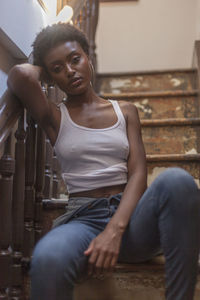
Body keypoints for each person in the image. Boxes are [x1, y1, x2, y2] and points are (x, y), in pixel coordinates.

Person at [7, 23, 200, 300]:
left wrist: (114, 230)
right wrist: (44, 70)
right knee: (48, 257)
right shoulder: (55, 117)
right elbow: (20, 74)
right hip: (82, 222)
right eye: (58, 68)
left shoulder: (126, 112)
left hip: (133, 221)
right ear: (50, 77)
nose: (71, 71)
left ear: (88, 57)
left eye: (76, 59)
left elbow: (137, 175)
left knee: (177, 181)